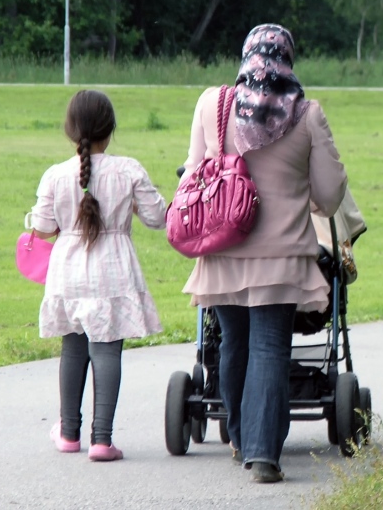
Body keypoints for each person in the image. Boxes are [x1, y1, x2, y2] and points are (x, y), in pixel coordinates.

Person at [180, 24, 347, 483]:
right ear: (288, 60)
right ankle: (262, 456)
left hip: (222, 247)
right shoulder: (307, 114)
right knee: (270, 346)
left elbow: (192, 174)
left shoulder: (213, 104)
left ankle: (237, 437)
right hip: (282, 255)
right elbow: (330, 198)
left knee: (232, 341)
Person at [29, 90, 167, 462]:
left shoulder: (55, 175)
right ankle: (102, 439)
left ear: (70, 130)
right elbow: (158, 218)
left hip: (68, 274)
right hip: (113, 271)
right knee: (107, 349)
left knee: (73, 347)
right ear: (111, 128)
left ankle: (69, 433)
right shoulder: (129, 170)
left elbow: (41, 227)